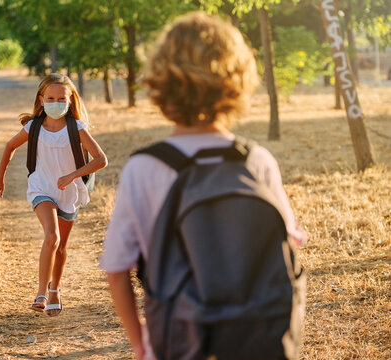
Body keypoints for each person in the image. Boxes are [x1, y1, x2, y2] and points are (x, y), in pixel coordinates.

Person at [100, 12, 307, 360]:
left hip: (179, 340)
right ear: (238, 81)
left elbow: (117, 271)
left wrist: (141, 344)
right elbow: (290, 240)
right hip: (257, 337)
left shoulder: (144, 167)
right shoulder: (256, 161)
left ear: (160, 82)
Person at [0, 73, 107, 316]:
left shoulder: (77, 128)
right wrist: (0, 177)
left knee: (61, 247)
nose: (56, 102)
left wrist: (72, 175)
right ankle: (41, 293)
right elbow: (10, 146)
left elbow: (101, 160)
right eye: (50, 98)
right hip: (41, 188)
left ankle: (55, 290)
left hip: (69, 192)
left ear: (70, 101)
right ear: (41, 100)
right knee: (52, 237)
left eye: (62, 99)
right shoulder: (33, 127)